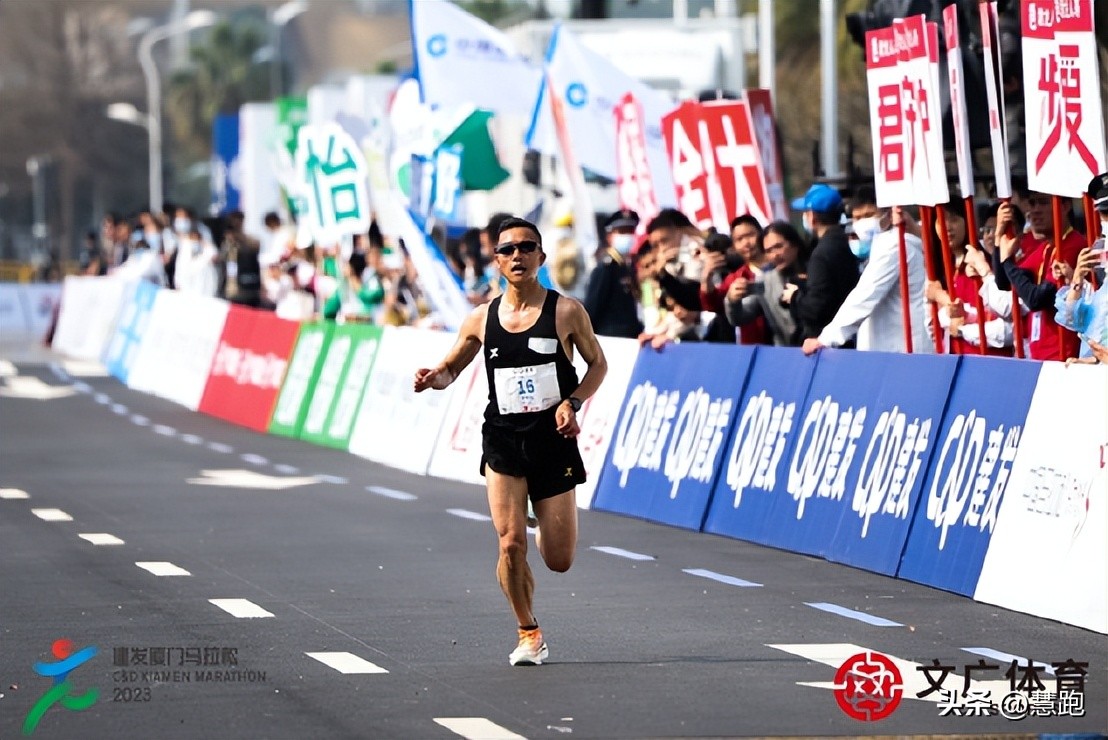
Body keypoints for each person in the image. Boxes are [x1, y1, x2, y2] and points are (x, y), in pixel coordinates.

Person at [414, 216, 607, 667]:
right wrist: (431, 378)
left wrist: (572, 402)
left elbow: (598, 365)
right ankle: (528, 631)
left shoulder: (566, 311)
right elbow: (450, 369)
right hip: (503, 439)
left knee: (559, 560)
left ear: (540, 256)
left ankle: (541, 522)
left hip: (552, 440)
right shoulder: (481, 318)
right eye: (508, 250)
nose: (517, 255)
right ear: (497, 261)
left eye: (527, 247)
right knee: (508, 543)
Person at [803, 206, 933, 355]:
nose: (863, 222)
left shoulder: (895, 246)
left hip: (902, 349)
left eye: (869, 215)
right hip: (895, 347)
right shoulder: (878, 248)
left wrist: (826, 339)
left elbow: (866, 294)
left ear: (887, 216)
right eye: (857, 218)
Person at [788, 183, 860, 341]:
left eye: (805, 213)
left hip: (830, 341)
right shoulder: (846, 241)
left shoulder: (822, 253)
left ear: (812, 216)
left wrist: (793, 298)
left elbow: (816, 308)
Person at [725, 221, 808, 346]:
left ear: (794, 244)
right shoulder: (765, 281)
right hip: (786, 354)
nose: (774, 255)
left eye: (779, 246)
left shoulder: (816, 271)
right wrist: (732, 300)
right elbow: (739, 317)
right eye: (768, 251)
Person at [583, 209, 644, 338]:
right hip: (612, 338)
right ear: (610, 236)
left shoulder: (630, 265)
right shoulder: (606, 269)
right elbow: (592, 309)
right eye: (622, 231)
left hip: (632, 335)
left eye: (630, 231)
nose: (627, 236)